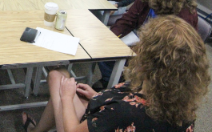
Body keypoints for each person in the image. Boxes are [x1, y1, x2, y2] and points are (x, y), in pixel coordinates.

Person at [22, 15, 210, 132]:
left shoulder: (123, 112)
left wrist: (66, 96)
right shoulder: (183, 108)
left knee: (57, 77)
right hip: (111, 119)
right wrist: (97, 96)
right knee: (62, 79)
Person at [94, 0, 199, 90]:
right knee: (104, 47)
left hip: (162, 51)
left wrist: (139, 49)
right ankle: (111, 80)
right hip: (140, 37)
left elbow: (173, 49)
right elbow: (128, 19)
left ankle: (125, 85)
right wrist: (111, 36)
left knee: (121, 57)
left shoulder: (184, 14)